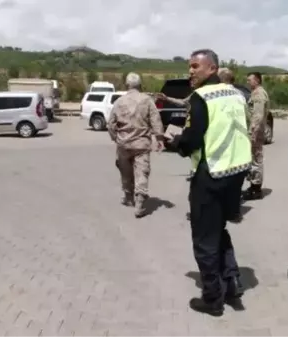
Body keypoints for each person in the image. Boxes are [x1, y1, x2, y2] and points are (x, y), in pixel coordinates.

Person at [165, 49, 251, 317]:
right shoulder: (236, 93)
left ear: (212, 68)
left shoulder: (202, 97)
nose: (191, 71)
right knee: (219, 228)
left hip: (211, 174)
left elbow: (191, 140)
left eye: (195, 66)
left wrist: (175, 142)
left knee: (204, 237)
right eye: (190, 66)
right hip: (236, 173)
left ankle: (213, 298)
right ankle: (232, 279)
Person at [107, 72, 164, 218]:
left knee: (125, 172)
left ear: (127, 85)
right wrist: (159, 139)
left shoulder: (119, 101)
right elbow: (155, 120)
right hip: (142, 144)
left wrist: (116, 138)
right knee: (142, 172)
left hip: (124, 144)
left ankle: (128, 197)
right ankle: (139, 203)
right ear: (140, 85)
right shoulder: (147, 100)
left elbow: (111, 124)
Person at [242, 72, 270, 200]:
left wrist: (253, 132)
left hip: (256, 131)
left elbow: (258, 115)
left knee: (256, 159)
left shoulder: (259, 93)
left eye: (250, 80)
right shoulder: (256, 93)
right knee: (254, 158)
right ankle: (254, 184)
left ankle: (256, 188)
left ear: (257, 80)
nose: (248, 82)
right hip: (255, 130)